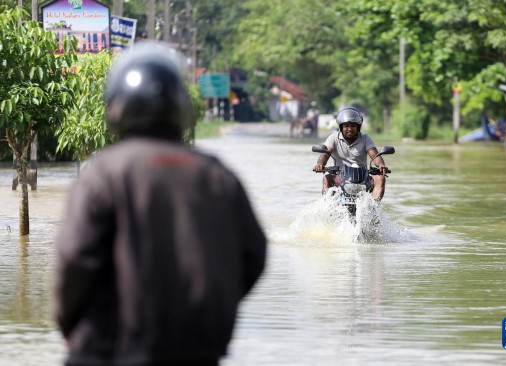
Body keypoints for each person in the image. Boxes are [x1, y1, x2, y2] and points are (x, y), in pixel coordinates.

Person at [54, 41, 267, 366]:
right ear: (181, 109)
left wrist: (71, 324)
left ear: (117, 108)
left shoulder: (104, 173)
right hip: (197, 351)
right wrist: (205, 309)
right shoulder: (217, 175)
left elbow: (75, 258)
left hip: (108, 349)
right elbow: (253, 255)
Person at [313, 107, 389, 201]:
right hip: (340, 178)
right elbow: (325, 154)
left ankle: (374, 207)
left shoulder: (365, 138)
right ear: (341, 127)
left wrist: (381, 165)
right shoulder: (333, 138)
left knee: (380, 178)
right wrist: (320, 164)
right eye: (346, 126)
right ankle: (327, 206)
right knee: (327, 178)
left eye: (353, 126)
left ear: (358, 127)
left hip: (363, 179)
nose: (349, 129)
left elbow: (374, 154)